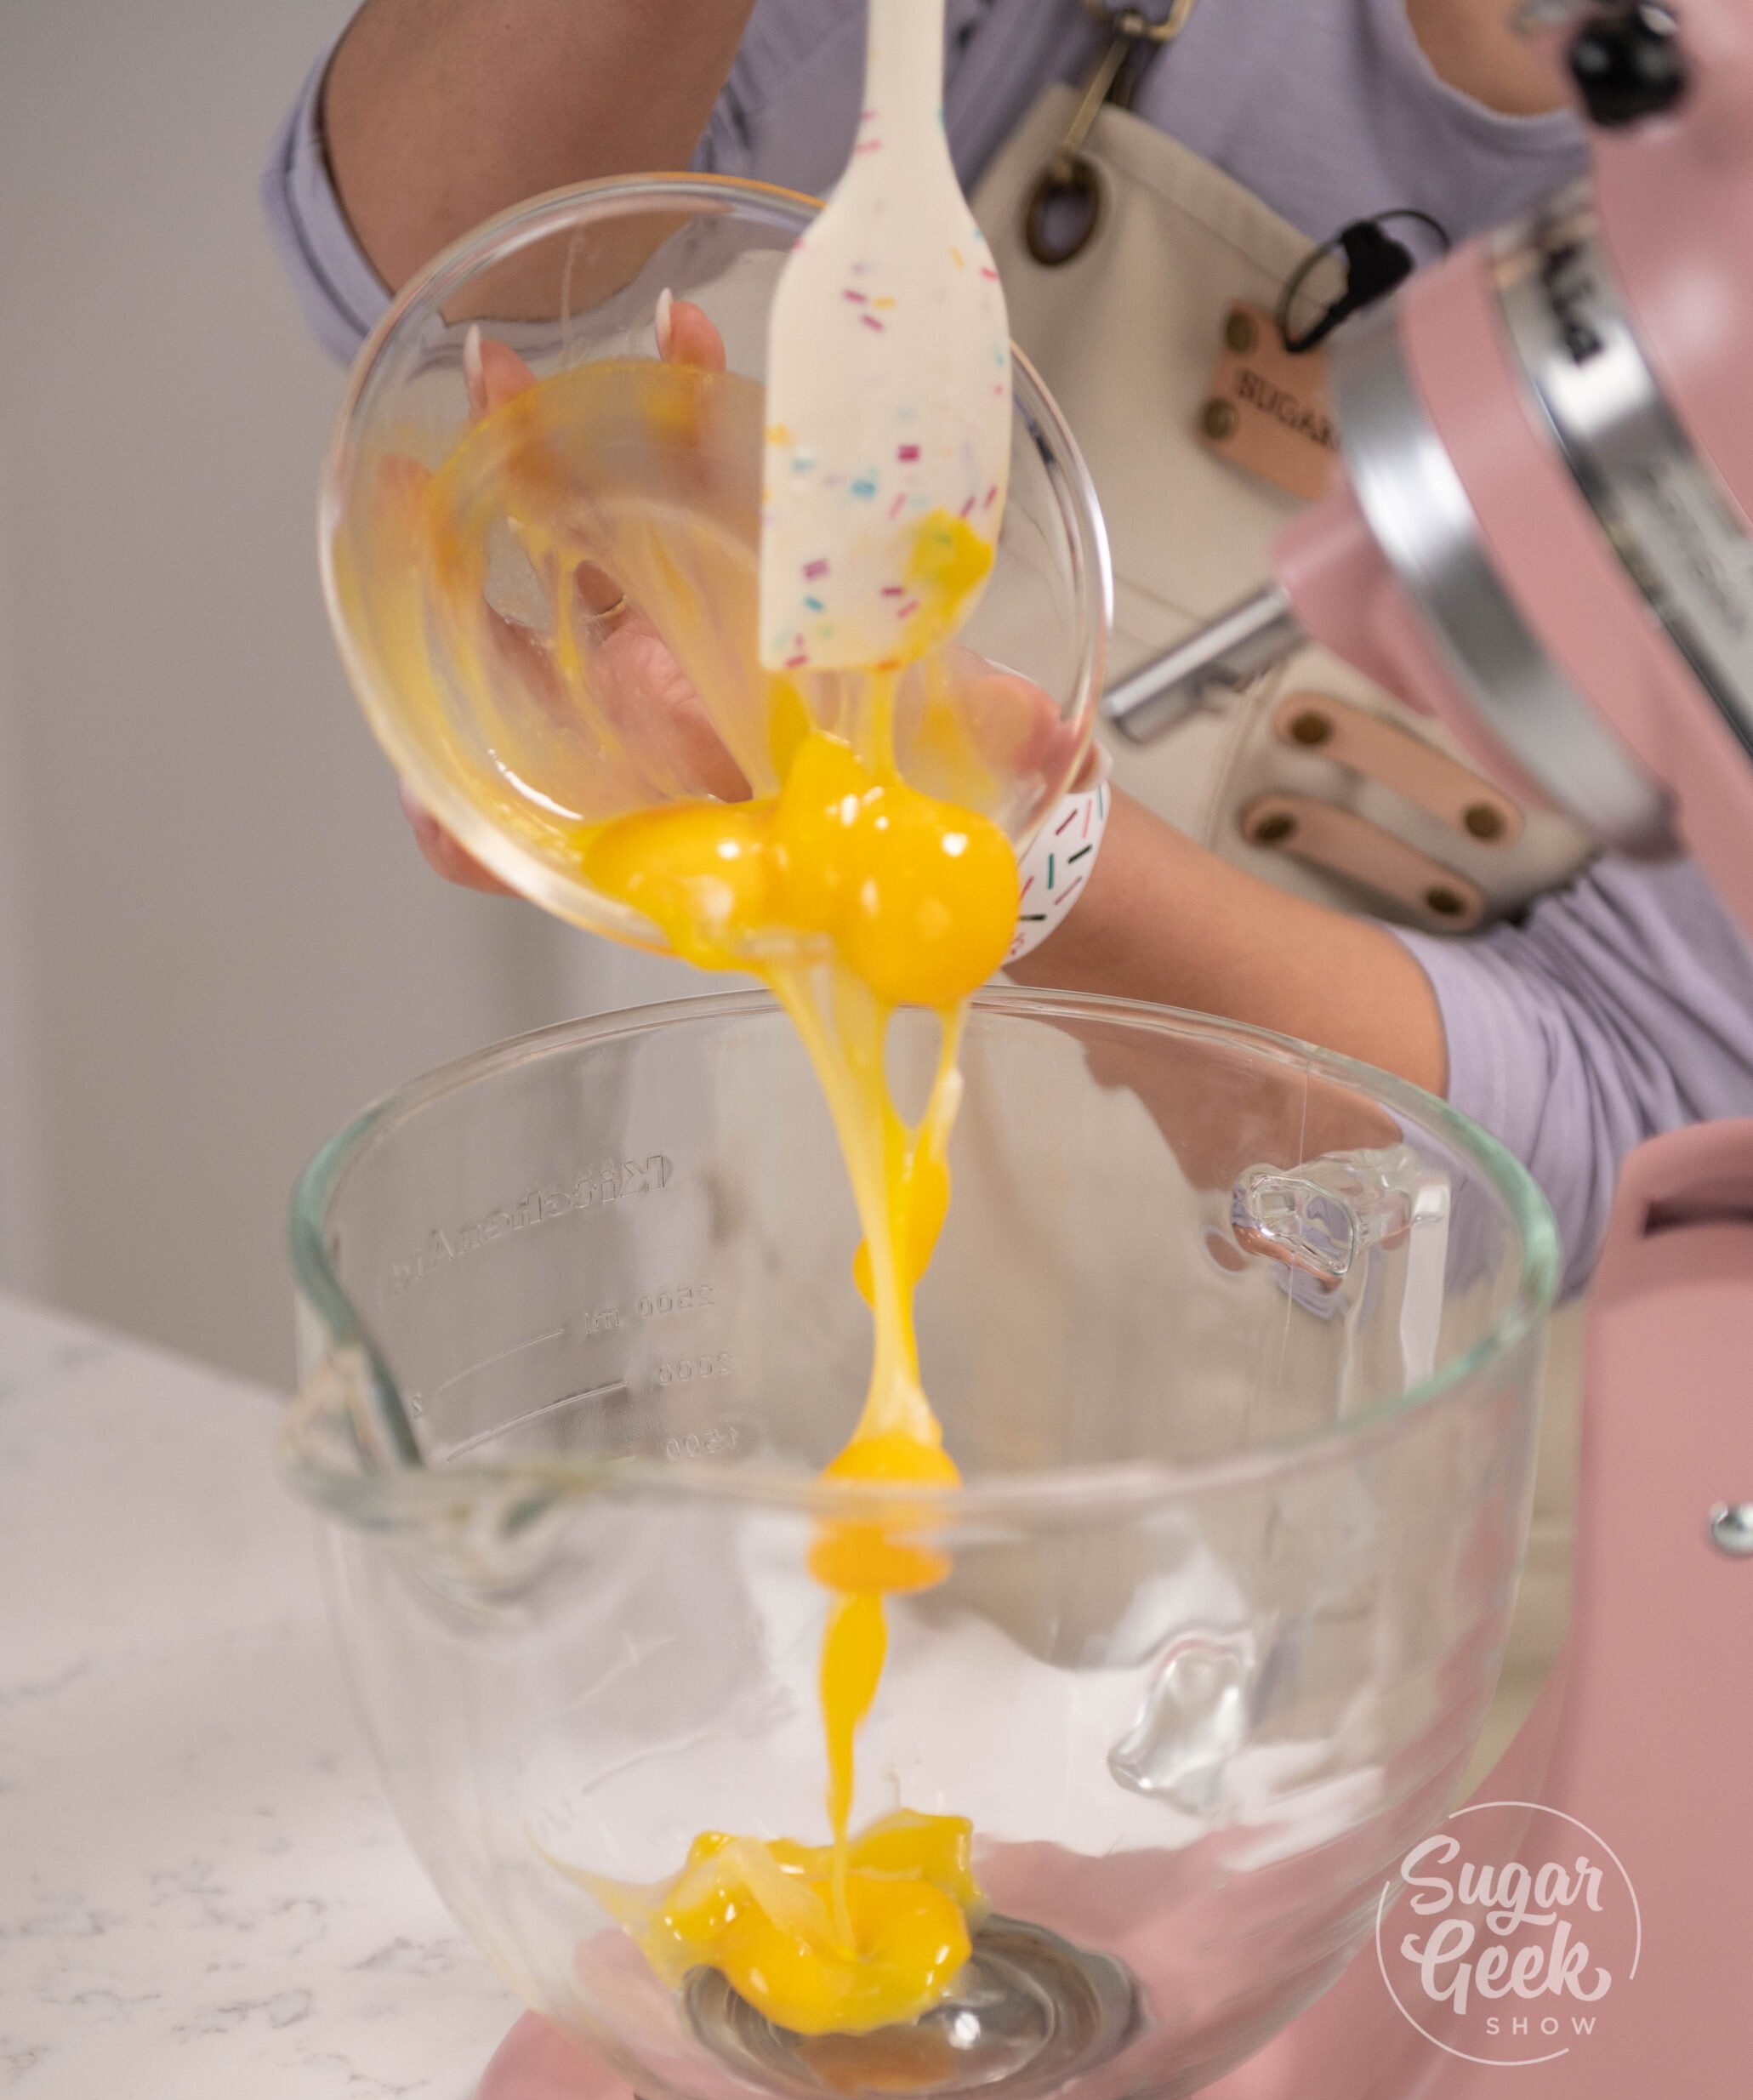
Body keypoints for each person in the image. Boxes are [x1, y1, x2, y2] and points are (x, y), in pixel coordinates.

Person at [265, 0, 1753, 1295]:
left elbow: (1649, 1129)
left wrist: (976, 836)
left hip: (1403, 1528)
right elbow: (441, 271)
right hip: (843, 1364)